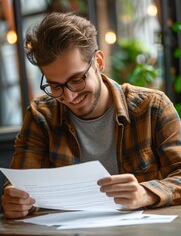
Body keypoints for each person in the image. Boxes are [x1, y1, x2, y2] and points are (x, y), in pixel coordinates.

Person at [1, 12, 181, 219]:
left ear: (99, 61)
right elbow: (21, 185)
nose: (69, 96)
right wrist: (16, 201)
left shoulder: (153, 107)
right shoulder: (41, 116)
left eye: (77, 79)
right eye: (55, 85)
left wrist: (146, 193)